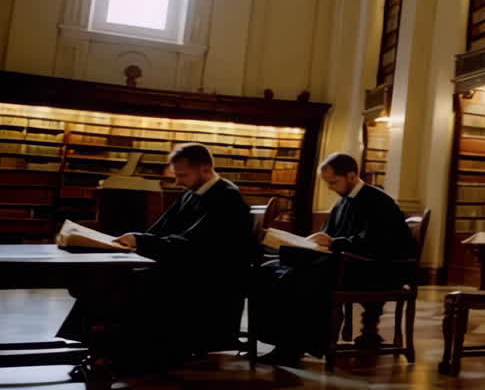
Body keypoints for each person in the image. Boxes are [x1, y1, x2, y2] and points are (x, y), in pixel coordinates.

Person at [58, 143, 255, 374]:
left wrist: (142, 242)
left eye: (183, 175)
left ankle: (114, 352)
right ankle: (100, 346)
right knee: (109, 275)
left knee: (121, 283)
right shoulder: (193, 194)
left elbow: (196, 247)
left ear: (205, 168)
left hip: (209, 281)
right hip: (185, 268)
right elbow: (161, 231)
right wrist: (135, 241)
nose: (178, 182)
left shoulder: (226, 198)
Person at [254, 152, 415, 366]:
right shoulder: (342, 203)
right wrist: (312, 242)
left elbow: (379, 243)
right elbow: (329, 235)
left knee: (298, 278)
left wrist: (333, 242)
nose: (330, 188)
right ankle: (276, 341)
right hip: (346, 264)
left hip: (375, 270)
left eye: (333, 182)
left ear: (351, 175)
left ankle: (293, 348)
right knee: (269, 270)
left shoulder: (378, 201)